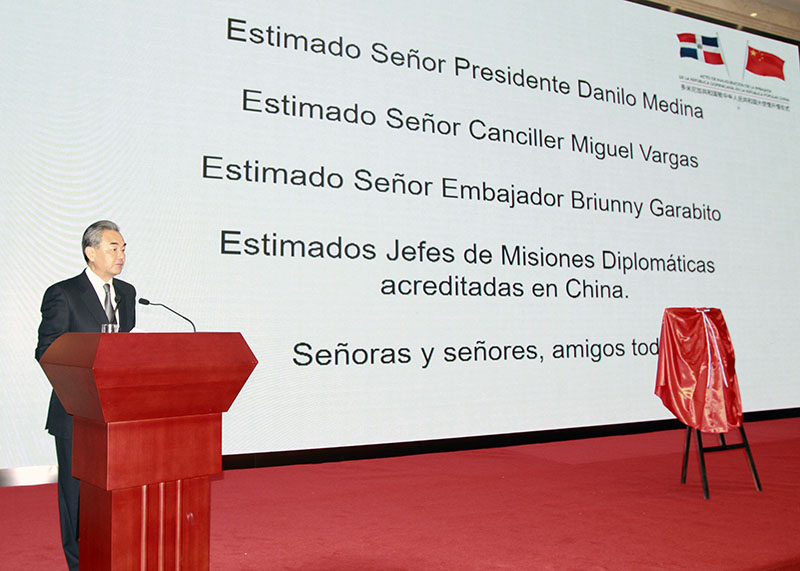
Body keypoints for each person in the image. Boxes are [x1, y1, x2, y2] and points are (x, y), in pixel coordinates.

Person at [35, 220, 136, 571]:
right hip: (75, 411)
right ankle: (79, 564)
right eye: (113, 248)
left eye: (123, 248)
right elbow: (48, 350)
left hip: (114, 411)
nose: (121, 255)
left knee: (112, 492)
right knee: (76, 495)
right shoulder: (63, 293)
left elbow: (126, 350)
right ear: (90, 252)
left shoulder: (128, 292)